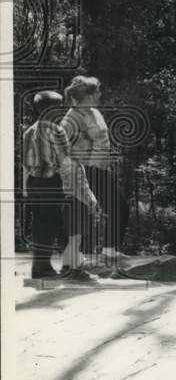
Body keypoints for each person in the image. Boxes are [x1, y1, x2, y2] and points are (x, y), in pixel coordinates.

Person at [22, 90, 101, 280]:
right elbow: (67, 163)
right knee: (52, 223)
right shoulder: (57, 131)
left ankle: (40, 265)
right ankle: (43, 268)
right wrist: (83, 193)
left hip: (34, 183)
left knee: (40, 223)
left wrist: (25, 187)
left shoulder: (29, 130)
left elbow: (25, 163)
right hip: (51, 183)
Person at [62, 75, 121, 257]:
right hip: (85, 170)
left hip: (101, 169)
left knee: (117, 208)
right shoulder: (71, 118)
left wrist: (107, 164)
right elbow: (62, 149)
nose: (100, 94)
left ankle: (108, 251)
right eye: (97, 91)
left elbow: (103, 141)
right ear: (88, 95)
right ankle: (80, 257)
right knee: (86, 214)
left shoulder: (95, 112)